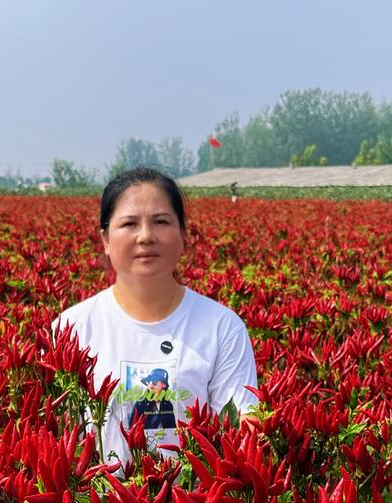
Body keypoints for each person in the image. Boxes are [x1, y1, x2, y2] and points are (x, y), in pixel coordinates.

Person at [54, 166, 258, 468]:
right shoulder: (71, 328)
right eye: (129, 224)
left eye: (161, 222)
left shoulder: (222, 327)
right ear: (106, 239)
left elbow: (243, 429)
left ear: (182, 235)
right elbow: (53, 434)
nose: (146, 236)